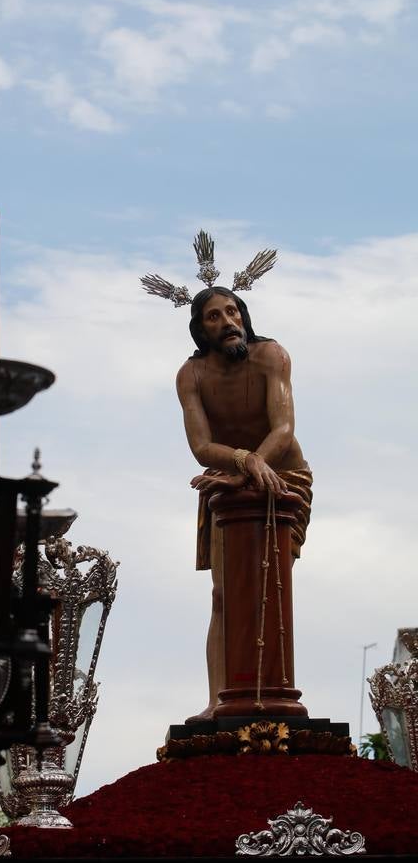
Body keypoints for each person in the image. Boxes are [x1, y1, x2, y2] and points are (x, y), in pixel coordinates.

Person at [176, 286, 312, 721]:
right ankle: (219, 699)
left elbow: (284, 428)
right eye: (214, 316)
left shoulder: (272, 356)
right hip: (227, 481)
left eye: (232, 311)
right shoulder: (191, 375)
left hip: (281, 478)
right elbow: (201, 445)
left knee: (269, 586)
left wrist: (253, 465)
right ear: (200, 329)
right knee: (223, 594)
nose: (228, 321)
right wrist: (241, 461)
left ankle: (272, 694)